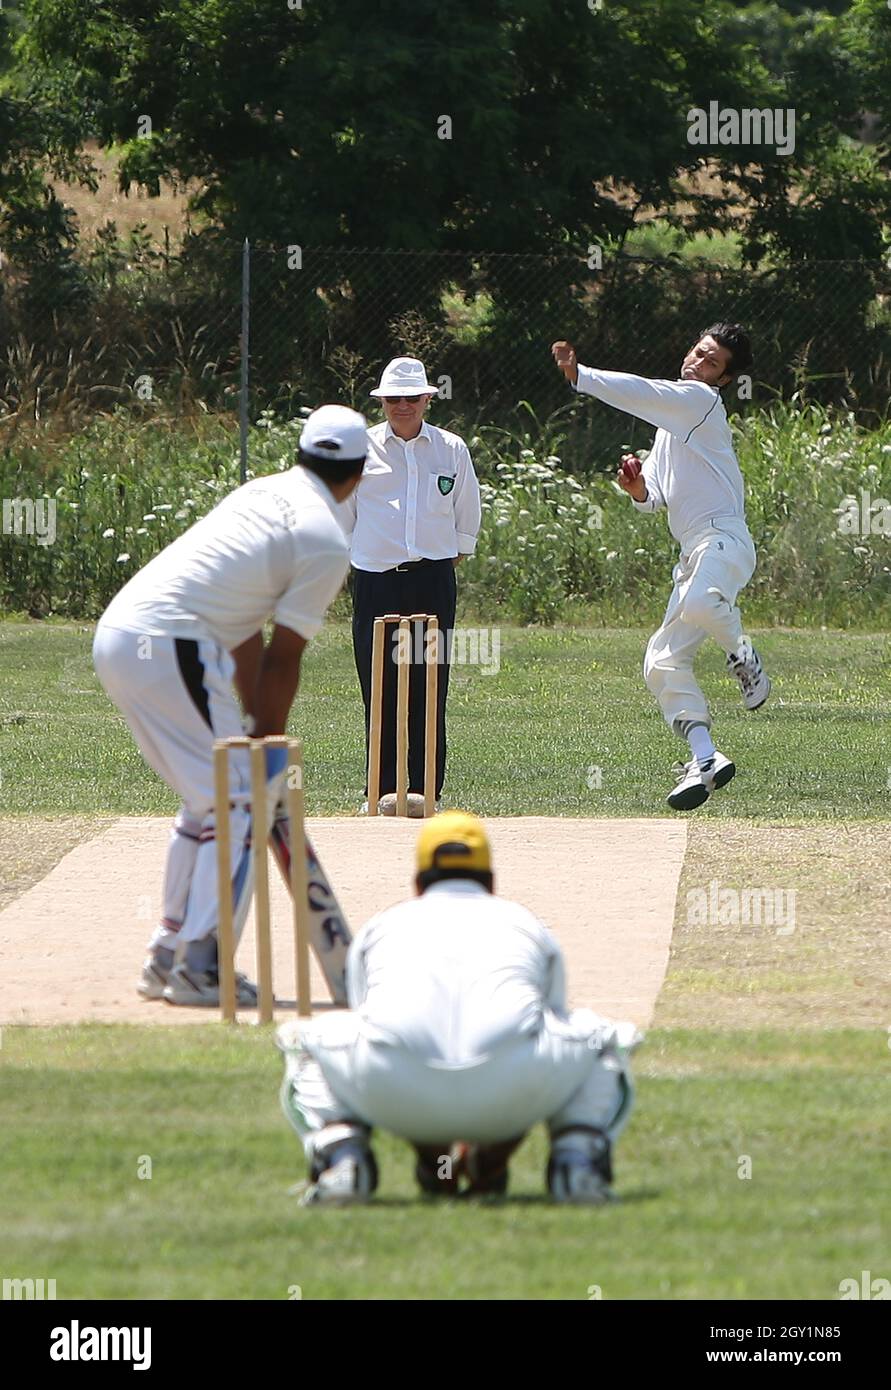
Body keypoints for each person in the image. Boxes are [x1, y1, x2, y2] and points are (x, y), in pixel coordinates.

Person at [92, 405, 366, 1007]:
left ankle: (170, 954)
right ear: (358, 472)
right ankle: (201, 964)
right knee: (240, 799)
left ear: (302, 455)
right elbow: (283, 655)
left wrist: (252, 730)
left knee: (213, 799)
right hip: (170, 645)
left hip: (124, 634)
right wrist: (267, 736)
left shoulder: (262, 493)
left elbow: (246, 630)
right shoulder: (325, 539)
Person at [276, 811, 641, 1206]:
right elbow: (541, 1030)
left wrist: (435, 1160)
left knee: (304, 1040)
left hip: (393, 1089)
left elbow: (382, 1030)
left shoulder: (381, 927)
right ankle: (576, 1163)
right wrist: (492, 1159)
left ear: (417, 882)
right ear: (491, 881)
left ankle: (343, 1162)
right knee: (606, 1040)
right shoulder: (527, 925)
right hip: (514, 1088)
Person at [552, 325, 770, 811]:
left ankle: (743, 654)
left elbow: (642, 393)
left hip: (725, 540)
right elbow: (654, 499)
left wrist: (580, 375)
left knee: (700, 602)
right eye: (698, 352)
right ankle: (705, 757)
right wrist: (636, 489)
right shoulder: (671, 425)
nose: (698, 362)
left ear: (723, 379)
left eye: (711, 362)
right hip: (693, 551)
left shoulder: (698, 402)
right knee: (661, 661)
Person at [340, 357, 481, 816]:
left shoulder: (450, 448)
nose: (403, 406)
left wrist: (452, 550)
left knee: (428, 681)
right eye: (393, 399)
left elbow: (466, 507)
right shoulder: (359, 449)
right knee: (377, 683)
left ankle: (425, 790)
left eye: (411, 398)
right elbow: (342, 512)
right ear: (381, 402)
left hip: (432, 579)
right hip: (376, 579)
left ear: (426, 399)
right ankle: (378, 790)